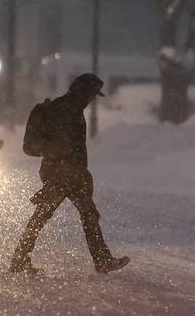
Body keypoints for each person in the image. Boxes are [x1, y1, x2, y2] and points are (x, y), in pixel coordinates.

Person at [10, 73, 130, 276]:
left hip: (72, 175)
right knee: (45, 216)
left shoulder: (72, 109)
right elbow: (61, 147)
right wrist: (68, 169)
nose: (92, 99)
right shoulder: (63, 110)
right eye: (92, 94)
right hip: (61, 175)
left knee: (84, 215)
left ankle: (101, 260)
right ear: (84, 92)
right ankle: (20, 260)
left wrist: (80, 172)